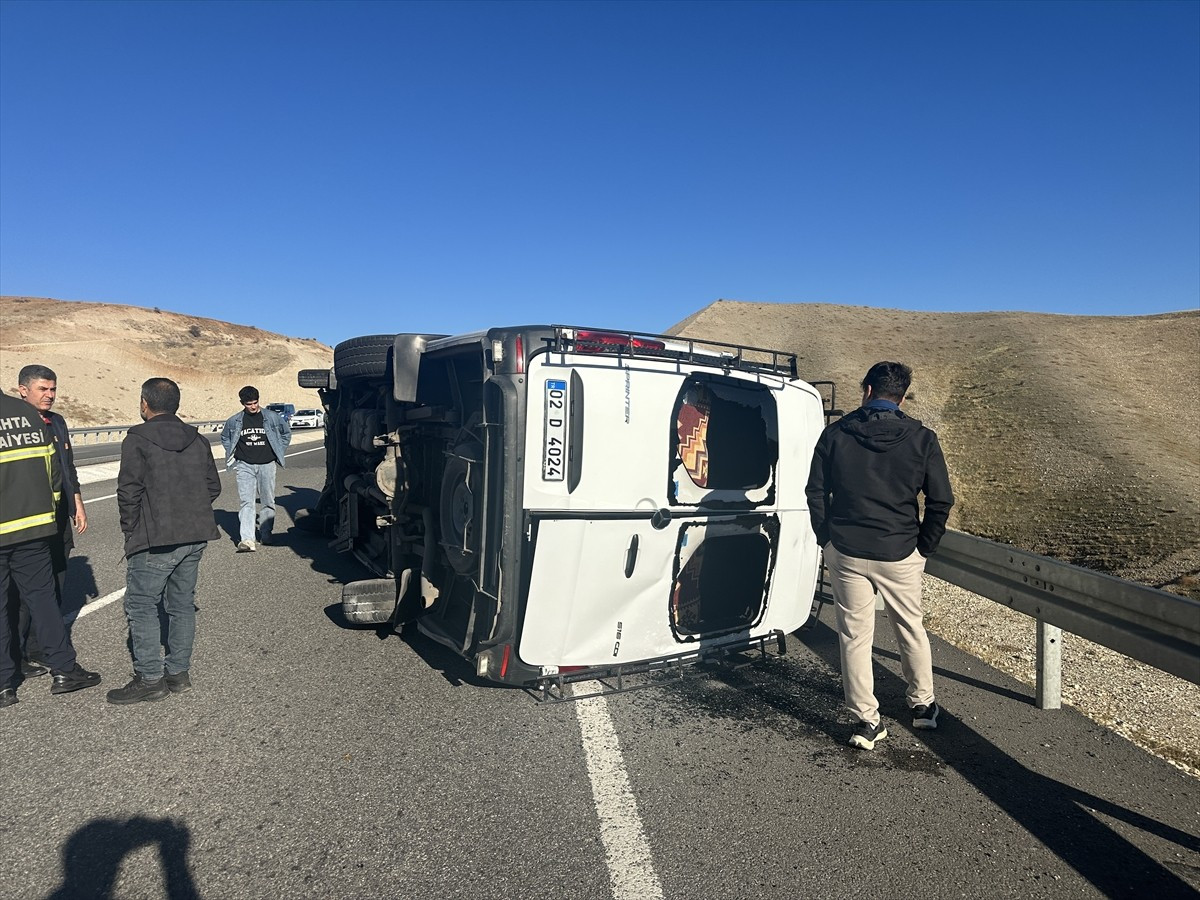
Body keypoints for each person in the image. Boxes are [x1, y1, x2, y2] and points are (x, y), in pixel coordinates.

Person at [805, 361, 955, 750]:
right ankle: (922, 707)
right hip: (900, 549)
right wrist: (924, 546)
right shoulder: (923, 438)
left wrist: (827, 538)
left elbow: (815, 492)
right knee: (911, 627)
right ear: (901, 396)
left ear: (867, 390)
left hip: (848, 550)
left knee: (855, 637)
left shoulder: (835, 434)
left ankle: (866, 723)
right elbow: (941, 501)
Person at [108, 378, 221, 705]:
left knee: (141, 604)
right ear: (176, 404)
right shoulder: (197, 439)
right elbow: (212, 487)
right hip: (195, 534)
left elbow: (128, 491)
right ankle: (178, 674)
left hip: (155, 537)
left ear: (145, 403)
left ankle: (150, 678)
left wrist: (131, 530)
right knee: (181, 603)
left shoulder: (137, 439)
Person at [0, 392, 101, 707]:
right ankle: (63, 670)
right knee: (43, 600)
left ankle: (4, 683)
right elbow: (55, 474)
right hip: (35, 527)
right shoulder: (29, 415)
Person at [13, 364, 87, 676]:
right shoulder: (13, 426)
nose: (50, 395)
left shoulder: (56, 422)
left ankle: (38, 647)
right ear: (23, 391)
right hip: (26, 520)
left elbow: (68, 468)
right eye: (43, 389)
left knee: (55, 580)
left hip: (56, 518)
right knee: (20, 592)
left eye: (53, 389)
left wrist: (77, 503)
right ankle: (15, 656)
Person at [220, 386, 291, 552]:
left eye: (255, 403)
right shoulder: (234, 421)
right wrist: (233, 452)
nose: (253, 406)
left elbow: (286, 433)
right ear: (242, 403)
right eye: (248, 404)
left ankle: (266, 532)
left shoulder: (272, 417)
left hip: (267, 464)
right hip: (244, 465)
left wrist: (278, 451)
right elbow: (225, 437)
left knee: (268, 500)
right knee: (246, 502)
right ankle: (247, 539)